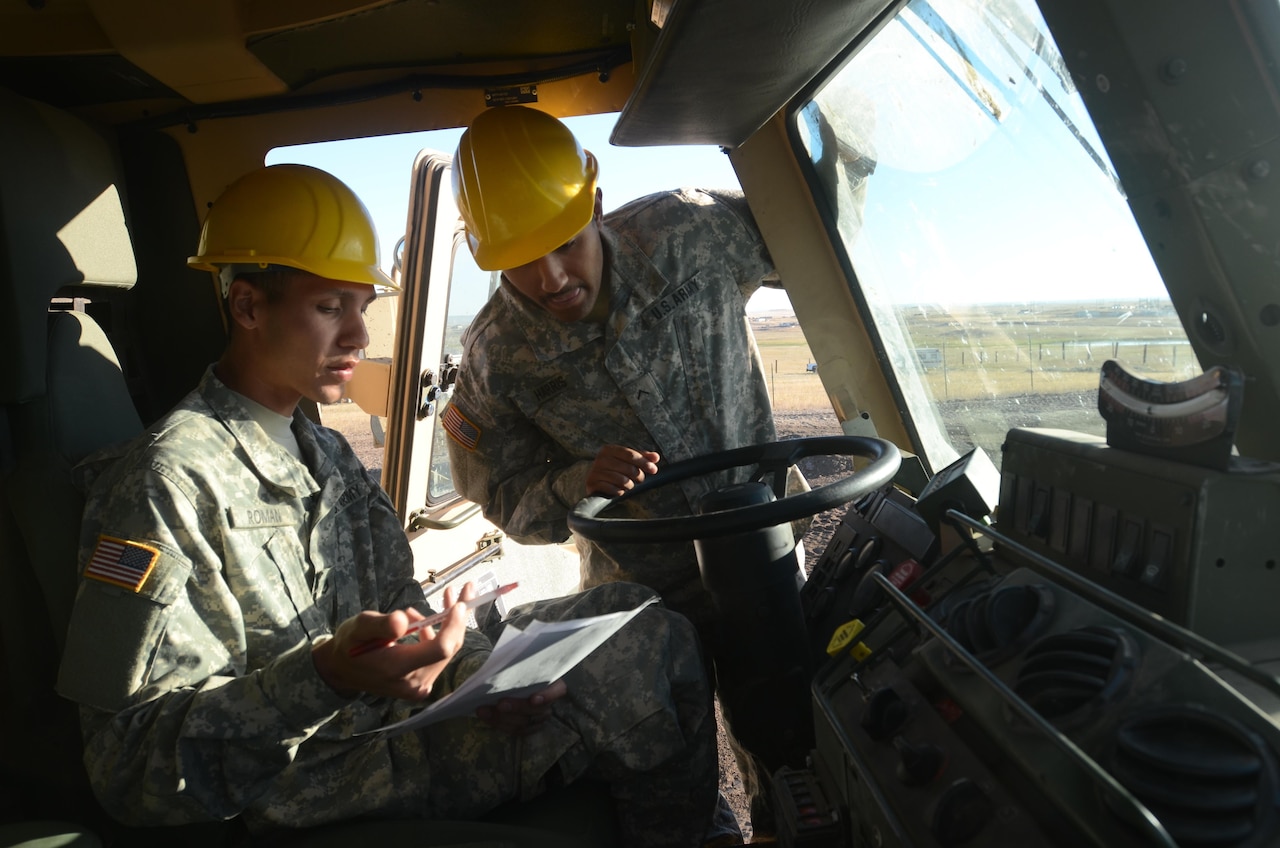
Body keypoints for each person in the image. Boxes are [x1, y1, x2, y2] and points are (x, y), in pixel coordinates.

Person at [54, 163, 723, 847]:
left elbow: (400, 608)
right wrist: (326, 677)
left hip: (397, 722)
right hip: (318, 777)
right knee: (657, 658)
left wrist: (470, 668)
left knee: (639, 613)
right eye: (327, 308)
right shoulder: (166, 481)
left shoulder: (326, 454)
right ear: (248, 307)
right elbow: (129, 768)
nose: (359, 338)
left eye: (361, 308)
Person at [443, 105, 805, 834]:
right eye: (518, 260)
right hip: (643, 599)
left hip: (762, 547)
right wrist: (576, 482)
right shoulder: (494, 358)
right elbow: (502, 495)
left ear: (597, 206)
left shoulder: (689, 233)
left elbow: (813, 239)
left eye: (566, 245)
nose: (549, 279)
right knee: (666, 779)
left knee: (794, 745)